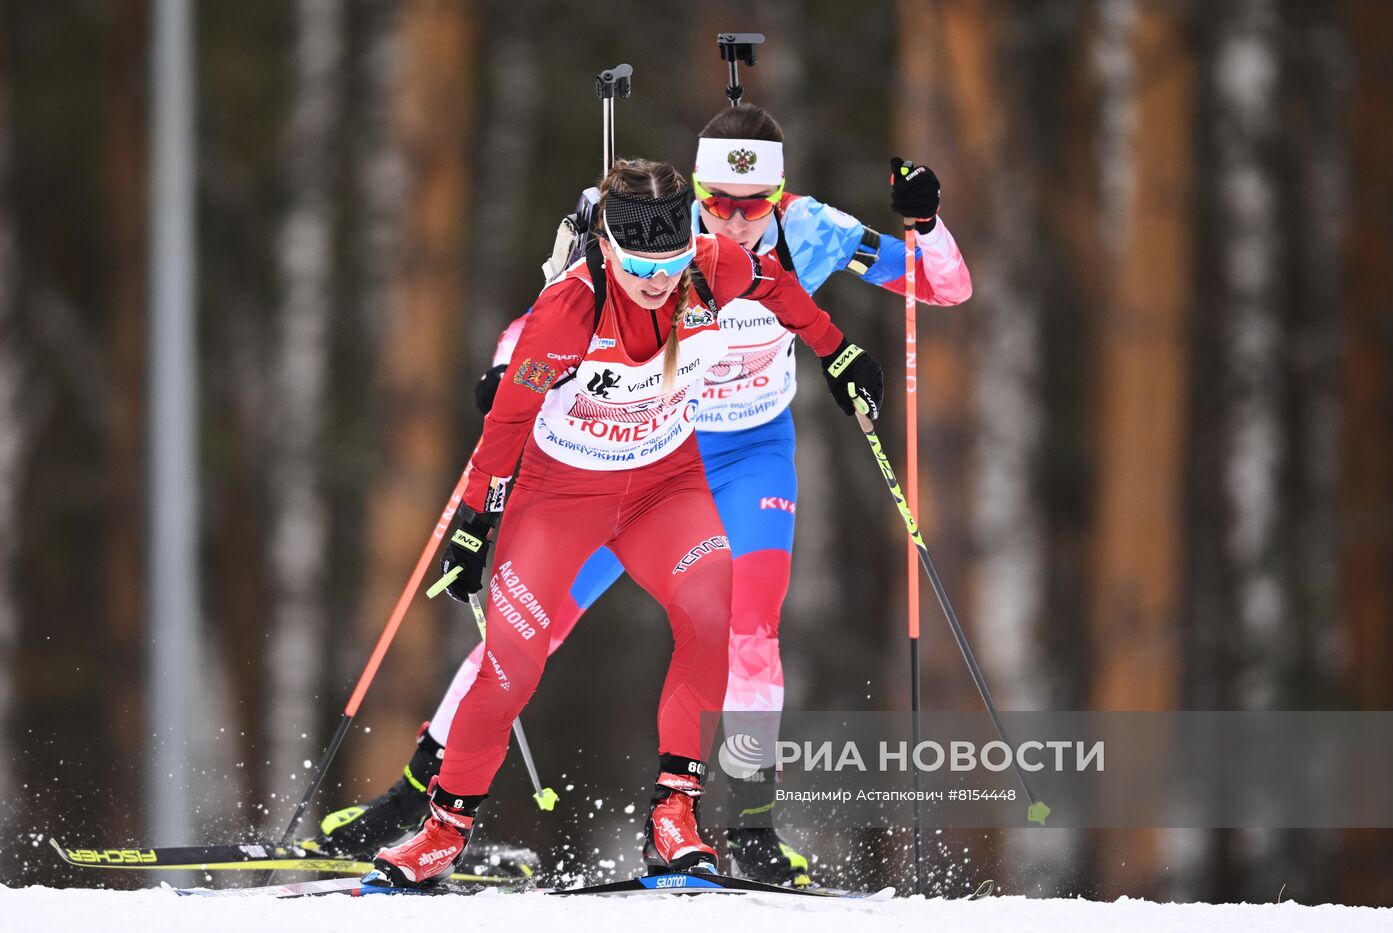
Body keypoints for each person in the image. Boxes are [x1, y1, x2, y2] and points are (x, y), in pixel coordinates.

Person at [315, 104, 968, 887]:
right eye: (714, 203)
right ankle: (423, 798)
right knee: (527, 640)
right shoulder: (641, 243)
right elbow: (534, 338)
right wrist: (488, 447)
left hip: (727, 456)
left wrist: (915, 238)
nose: (730, 221)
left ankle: (738, 820)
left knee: (741, 621)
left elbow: (930, 287)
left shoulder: (802, 232)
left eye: (750, 205)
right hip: (606, 468)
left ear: (779, 194)